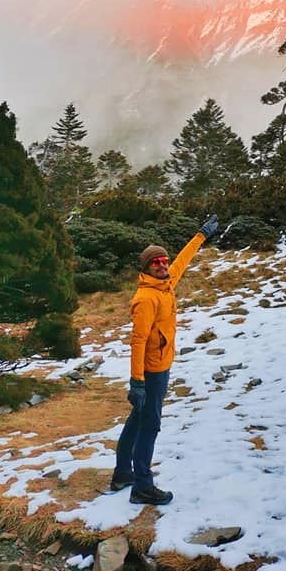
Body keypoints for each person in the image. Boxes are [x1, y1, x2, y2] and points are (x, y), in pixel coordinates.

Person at [111, 214, 219, 505]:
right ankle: (142, 487)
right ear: (146, 268)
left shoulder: (166, 285)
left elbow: (182, 261)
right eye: (155, 263)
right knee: (150, 425)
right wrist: (137, 381)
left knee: (137, 420)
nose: (162, 265)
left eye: (163, 261)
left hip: (161, 365)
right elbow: (138, 341)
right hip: (152, 371)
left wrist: (200, 236)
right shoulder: (147, 298)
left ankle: (123, 473)